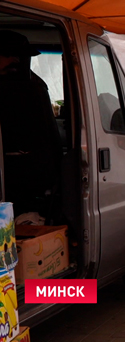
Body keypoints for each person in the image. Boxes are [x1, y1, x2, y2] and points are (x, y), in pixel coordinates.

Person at [0, 30, 61, 217]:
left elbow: (45, 135)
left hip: (21, 177)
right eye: (9, 55)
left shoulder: (29, 88)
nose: (16, 61)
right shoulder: (33, 85)